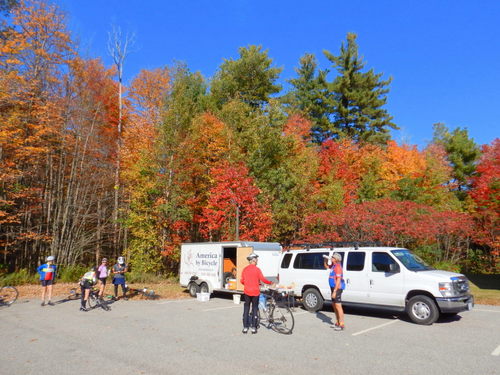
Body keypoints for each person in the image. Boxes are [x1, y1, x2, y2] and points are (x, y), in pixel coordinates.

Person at [240, 253, 272, 334]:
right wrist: (270, 282)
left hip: (247, 292)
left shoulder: (245, 269)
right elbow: (263, 279)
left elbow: (242, 281)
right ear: (253, 260)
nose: (257, 260)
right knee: (254, 308)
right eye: (256, 259)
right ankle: (253, 327)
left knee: (246, 308)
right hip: (255, 292)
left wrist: (248, 284)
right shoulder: (257, 269)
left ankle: (245, 327)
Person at [324, 252, 345, 331]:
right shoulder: (334, 265)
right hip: (333, 287)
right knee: (334, 305)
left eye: (333, 257)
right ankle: (337, 322)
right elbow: (326, 266)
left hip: (337, 288)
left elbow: (339, 280)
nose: (331, 258)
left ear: (336, 259)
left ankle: (341, 324)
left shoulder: (338, 267)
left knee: (338, 306)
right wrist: (325, 260)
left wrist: (335, 291)